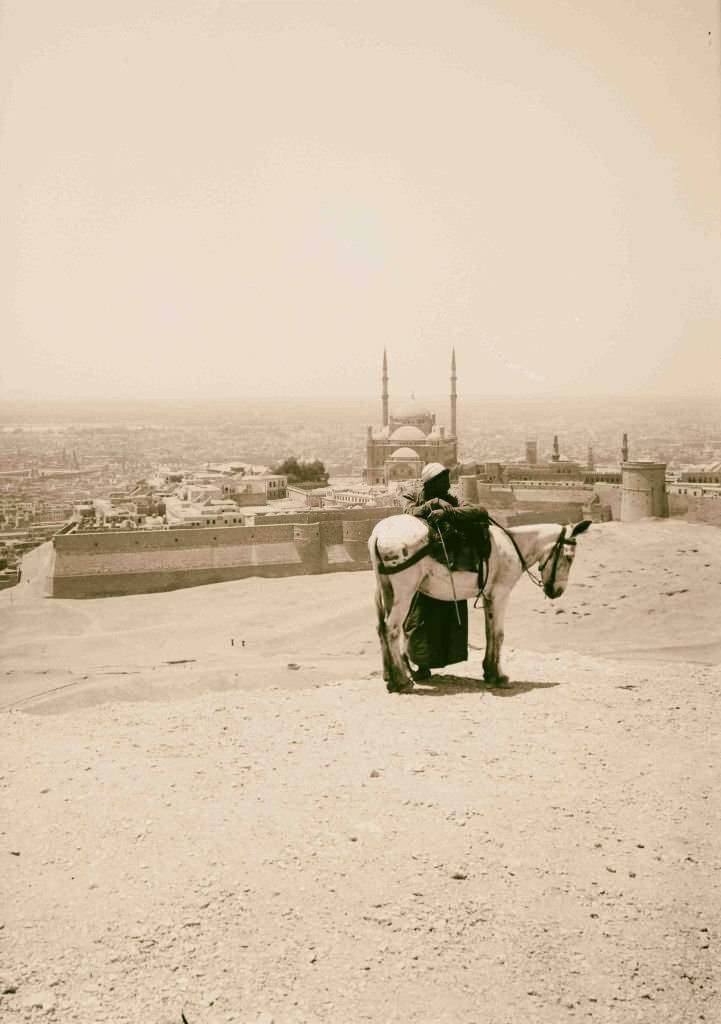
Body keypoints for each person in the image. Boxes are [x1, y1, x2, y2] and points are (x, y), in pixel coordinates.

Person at [400, 463, 470, 681]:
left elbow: (472, 509)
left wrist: (448, 511)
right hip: (419, 565)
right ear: (431, 483)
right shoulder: (411, 494)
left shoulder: (452, 498)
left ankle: (432, 665)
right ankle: (415, 663)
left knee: (445, 618)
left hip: (445, 564)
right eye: (442, 483)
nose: (447, 487)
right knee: (418, 618)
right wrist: (432, 504)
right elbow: (409, 511)